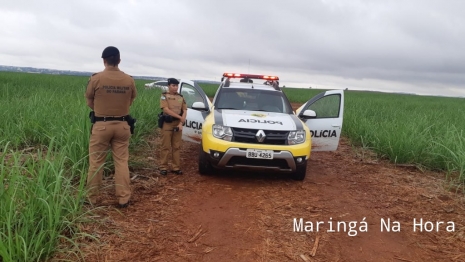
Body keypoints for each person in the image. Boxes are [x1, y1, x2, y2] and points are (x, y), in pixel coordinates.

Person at [84, 46, 137, 208]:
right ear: (119, 61)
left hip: (101, 126)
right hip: (122, 125)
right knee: (121, 161)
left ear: (104, 61)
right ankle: (123, 198)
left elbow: (89, 101)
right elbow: (131, 99)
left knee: (96, 162)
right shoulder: (129, 80)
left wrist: (102, 110)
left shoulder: (96, 79)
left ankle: (92, 198)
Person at [159, 78, 187, 175]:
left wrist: (180, 123)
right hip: (167, 123)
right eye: (173, 85)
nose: (175, 88)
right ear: (169, 86)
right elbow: (166, 110)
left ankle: (176, 167)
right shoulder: (164, 96)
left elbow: (185, 110)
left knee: (176, 147)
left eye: (176, 86)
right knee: (165, 146)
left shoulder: (181, 97)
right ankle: (163, 167)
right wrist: (180, 117)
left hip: (177, 124)